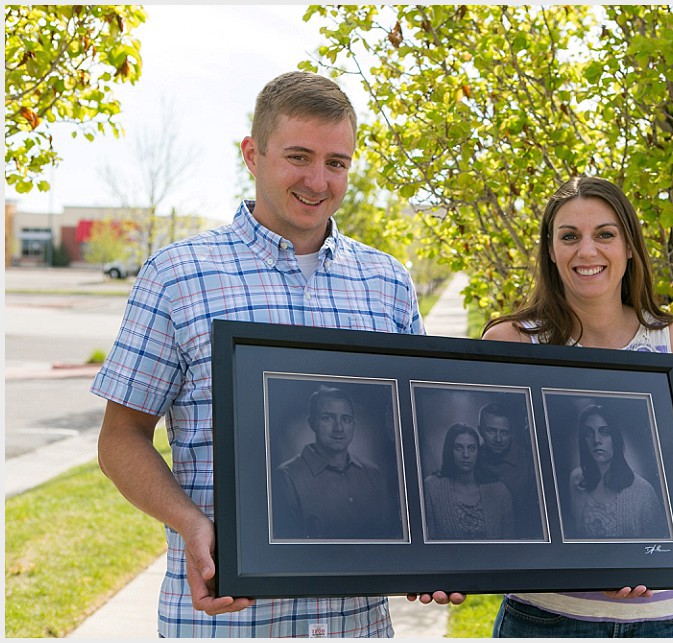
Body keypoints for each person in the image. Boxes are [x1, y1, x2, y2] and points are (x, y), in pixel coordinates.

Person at [92, 71, 432, 637]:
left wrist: (433, 545)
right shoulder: (179, 275)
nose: (318, 180)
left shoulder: (387, 282)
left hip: (358, 624)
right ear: (252, 154)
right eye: (298, 156)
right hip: (230, 622)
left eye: (337, 162)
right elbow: (120, 438)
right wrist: (190, 523)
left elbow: (409, 445)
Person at [479, 175, 673, 637]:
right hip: (548, 616)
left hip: (662, 619)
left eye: (604, 234)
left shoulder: (670, 341)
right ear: (551, 250)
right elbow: (500, 471)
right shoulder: (513, 342)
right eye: (569, 236)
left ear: (629, 247)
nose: (587, 251)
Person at [274, 386, 402, 540]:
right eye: (328, 418)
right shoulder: (287, 477)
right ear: (311, 423)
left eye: (346, 419)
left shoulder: (374, 474)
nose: (339, 428)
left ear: (354, 424)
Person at [568, 403, 668, 540]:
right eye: (589, 433)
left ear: (615, 438)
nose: (596, 440)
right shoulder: (576, 480)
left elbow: (660, 548)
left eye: (604, 432)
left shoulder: (643, 491)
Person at [422, 423, 514, 540]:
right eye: (458, 448)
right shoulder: (432, 488)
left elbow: (509, 545)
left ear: (478, 452)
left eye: (471, 448)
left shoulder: (500, 492)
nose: (466, 455)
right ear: (449, 450)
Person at [474, 402, 543, 539]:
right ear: (480, 430)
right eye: (491, 431)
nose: (498, 439)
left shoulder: (528, 461)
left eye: (504, 432)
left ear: (511, 433)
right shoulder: (471, 458)